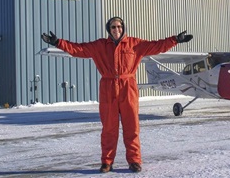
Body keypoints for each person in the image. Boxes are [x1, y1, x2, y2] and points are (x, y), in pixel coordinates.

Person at [41, 17, 193, 173]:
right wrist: (57, 42)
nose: (116, 29)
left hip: (128, 87)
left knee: (132, 127)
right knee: (109, 128)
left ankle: (134, 161)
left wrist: (175, 39)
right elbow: (78, 49)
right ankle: (107, 162)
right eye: (113, 27)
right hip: (108, 88)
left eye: (119, 26)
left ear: (123, 27)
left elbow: (157, 46)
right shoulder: (99, 46)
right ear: (109, 29)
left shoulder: (135, 44)